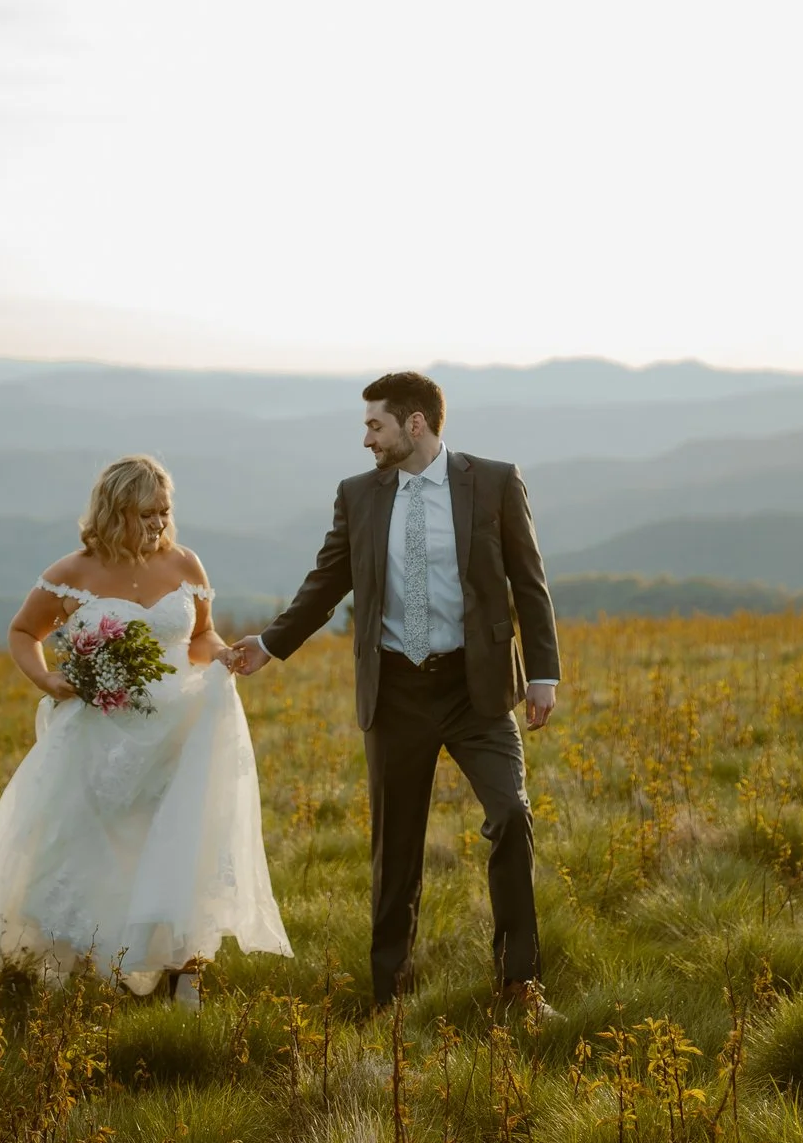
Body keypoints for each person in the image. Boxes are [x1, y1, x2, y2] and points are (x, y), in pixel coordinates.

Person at [228, 371, 561, 1017]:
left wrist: (542, 673)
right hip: (395, 691)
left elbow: (529, 579)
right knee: (396, 849)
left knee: (511, 815)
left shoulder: (494, 481)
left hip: (476, 688)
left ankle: (519, 985)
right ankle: (391, 996)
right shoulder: (358, 495)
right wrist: (269, 643)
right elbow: (326, 582)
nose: (366, 439)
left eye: (374, 425)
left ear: (415, 423)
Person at [0, 455, 291, 1006]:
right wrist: (46, 677)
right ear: (114, 512)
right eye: (146, 514)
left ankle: (183, 971)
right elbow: (23, 630)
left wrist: (223, 655)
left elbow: (200, 638)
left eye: (164, 511)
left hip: (178, 729)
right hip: (99, 736)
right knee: (86, 847)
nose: (159, 524)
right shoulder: (73, 572)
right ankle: (77, 961)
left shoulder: (185, 563)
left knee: (177, 841)